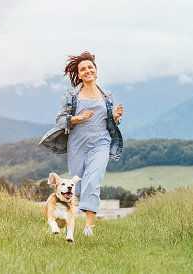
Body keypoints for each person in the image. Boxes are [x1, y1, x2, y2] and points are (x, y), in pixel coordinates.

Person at [39, 51, 124, 236]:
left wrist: (115, 117)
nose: (87, 71)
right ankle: (63, 217)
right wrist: (78, 117)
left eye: (90, 67)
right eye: (83, 69)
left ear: (96, 70)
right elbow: (60, 120)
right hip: (77, 144)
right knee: (75, 187)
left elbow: (111, 122)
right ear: (78, 74)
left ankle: (88, 228)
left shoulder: (107, 95)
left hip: (100, 143)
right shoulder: (71, 95)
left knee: (93, 182)